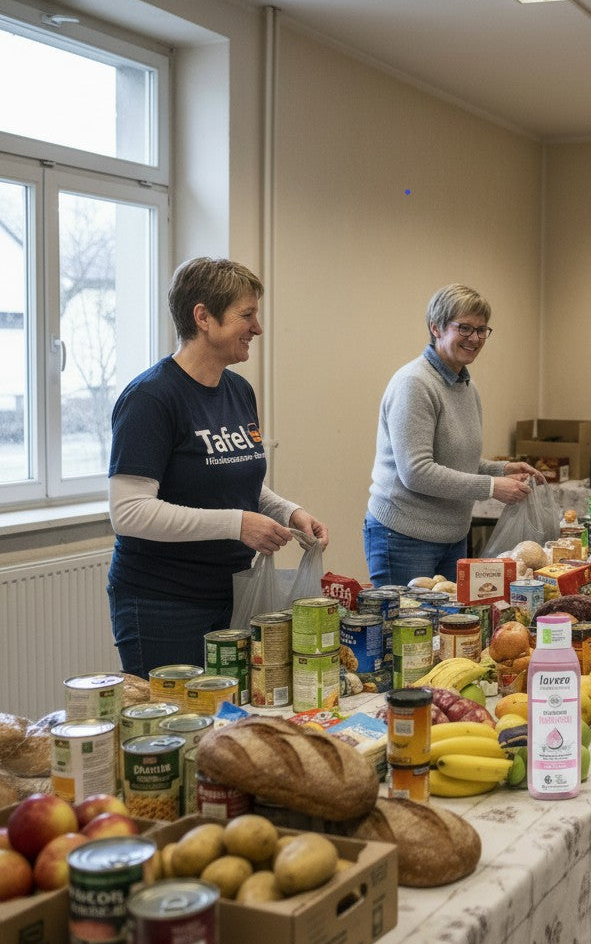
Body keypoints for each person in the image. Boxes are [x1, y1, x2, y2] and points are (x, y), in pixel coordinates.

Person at [107, 257, 329, 676]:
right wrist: (237, 525)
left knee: (227, 721)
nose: (258, 328)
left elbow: (234, 477)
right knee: (176, 730)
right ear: (203, 317)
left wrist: (287, 511)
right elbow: (129, 512)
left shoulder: (238, 390)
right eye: (246, 315)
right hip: (162, 604)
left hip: (230, 593)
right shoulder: (150, 399)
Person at [363, 284, 542, 587]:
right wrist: (490, 486)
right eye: (465, 328)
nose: (474, 338)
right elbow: (417, 472)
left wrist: (502, 469)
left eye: (482, 330)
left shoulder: (466, 387)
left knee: (450, 630)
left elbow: (457, 459)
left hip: (453, 536)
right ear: (436, 327)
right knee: (406, 631)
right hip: (404, 538)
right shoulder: (414, 384)